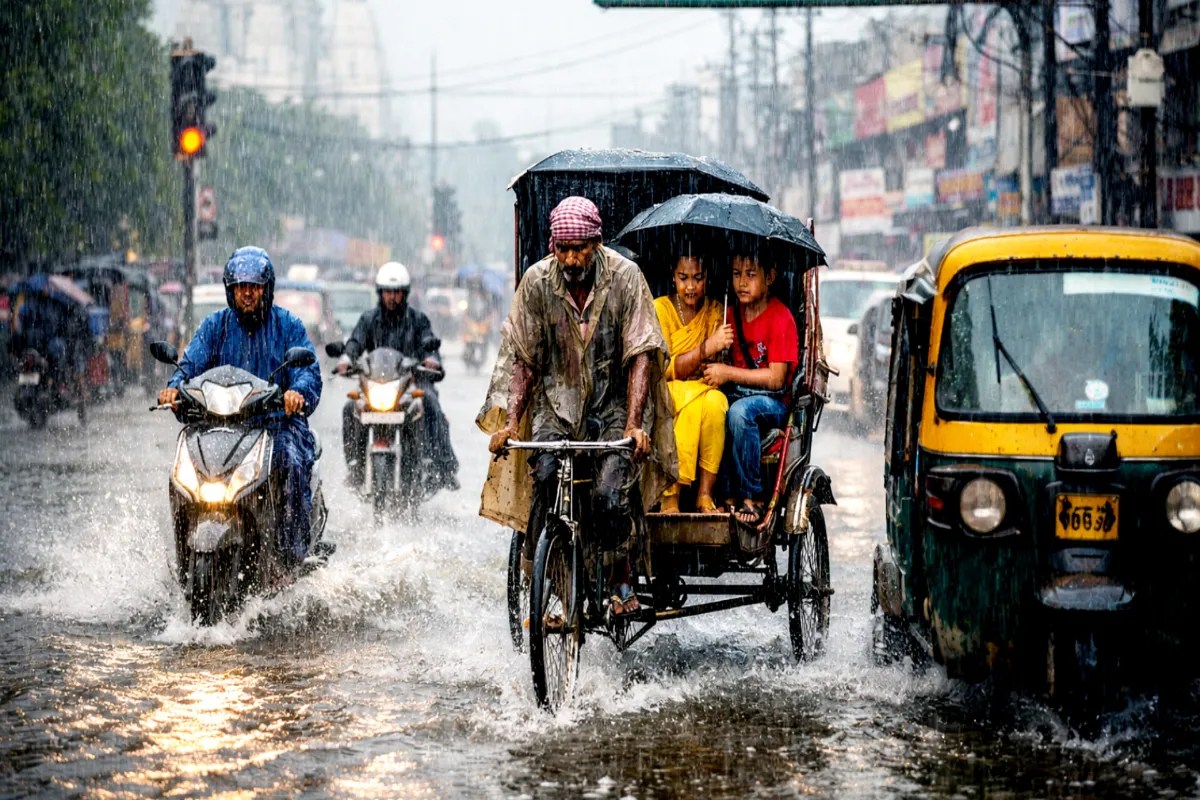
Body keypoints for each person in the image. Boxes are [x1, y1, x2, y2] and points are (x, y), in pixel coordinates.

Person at [478, 196, 677, 615]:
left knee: (609, 495)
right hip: (556, 404)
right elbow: (524, 360)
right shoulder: (536, 282)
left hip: (615, 404)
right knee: (545, 478)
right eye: (563, 249)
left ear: (596, 243)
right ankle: (554, 575)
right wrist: (511, 424)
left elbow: (641, 354)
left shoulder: (625, 277)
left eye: (579, 249)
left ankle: (620, 574)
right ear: (553, 247)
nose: (571, 259)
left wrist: (635, 424)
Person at [158, 246, 322, 567]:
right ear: (230, 290)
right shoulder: (215, 327)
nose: (247, 293)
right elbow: (188, 366)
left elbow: (308, 371)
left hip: (276, 425)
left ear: (266, 289)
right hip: (220, 426)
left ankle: (292, 559)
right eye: (241, 287)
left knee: (290, 462)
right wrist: (174, 389)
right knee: (184, 474)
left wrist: (296, 393)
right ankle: (183, 556)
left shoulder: (288, 326)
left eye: (254, 287)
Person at [338, 261, 460, 491]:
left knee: (430, 402)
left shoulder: (418, 320)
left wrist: (431, 359)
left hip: (412, 382)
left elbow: (428, 342)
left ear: (405, 294)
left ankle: (441, 465)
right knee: (349, 408)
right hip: (376, 385)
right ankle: (355, 466)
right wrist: (346, 358)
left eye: (396, 292)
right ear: (380, 293)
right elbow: (355, 342)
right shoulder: (368, 319)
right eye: (387, 292)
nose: (392, 297)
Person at [700, 254, 799, 526]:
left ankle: (752, 496)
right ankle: (721, 493)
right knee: (711, 407)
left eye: (750, 274)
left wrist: (727, 372)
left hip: (773, 403)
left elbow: (776, 379)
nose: (742, 282)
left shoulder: (781, 318)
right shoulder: (730, 315)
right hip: (737, 394)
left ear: (770, 277)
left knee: (740, 413)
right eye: (736, 274)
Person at [652, 253, 733, 513]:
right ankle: (670, 495)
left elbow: (713, 367)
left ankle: (705, 494)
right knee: (685, 402)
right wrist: (705, 348)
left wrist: (715, 353)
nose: (690, 286)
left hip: (703, 388)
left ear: (707, 278)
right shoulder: (660, 309)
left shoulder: (715, 311)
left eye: (697, 278)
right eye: (683, 278)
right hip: (668, 389)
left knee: (716, 403)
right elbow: (663, 369)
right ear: (673, 277)